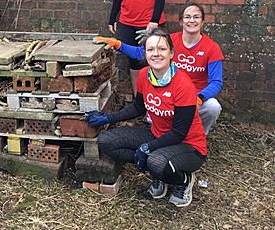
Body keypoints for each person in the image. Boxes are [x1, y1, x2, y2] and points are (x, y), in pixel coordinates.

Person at [87, 29, 207, 208]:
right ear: (145, 53)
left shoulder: (183, 85)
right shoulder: (144, 75)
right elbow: (138, 107)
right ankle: (159, 173)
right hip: (157, 135)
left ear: (171, 53)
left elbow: (179, 133)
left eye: (162, 49)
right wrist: (108, 118)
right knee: (106, 141)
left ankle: (183, 180)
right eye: (150, 50)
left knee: (154, 160)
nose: (156, 54)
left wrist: (148, 148)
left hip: (189, 146)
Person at [94, 3, 223, 134]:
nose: (192, 20)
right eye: (187, 17)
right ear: (181, 21)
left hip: (195, 99)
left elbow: (216, 82)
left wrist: (201, 97)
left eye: (196, 17)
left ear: (203, 21)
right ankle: (162, 132)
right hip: (167, 96)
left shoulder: (212, 48)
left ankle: (199, 135)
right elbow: (141, 53)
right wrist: (117, 44)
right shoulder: (170, 40)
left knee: (213, 107)